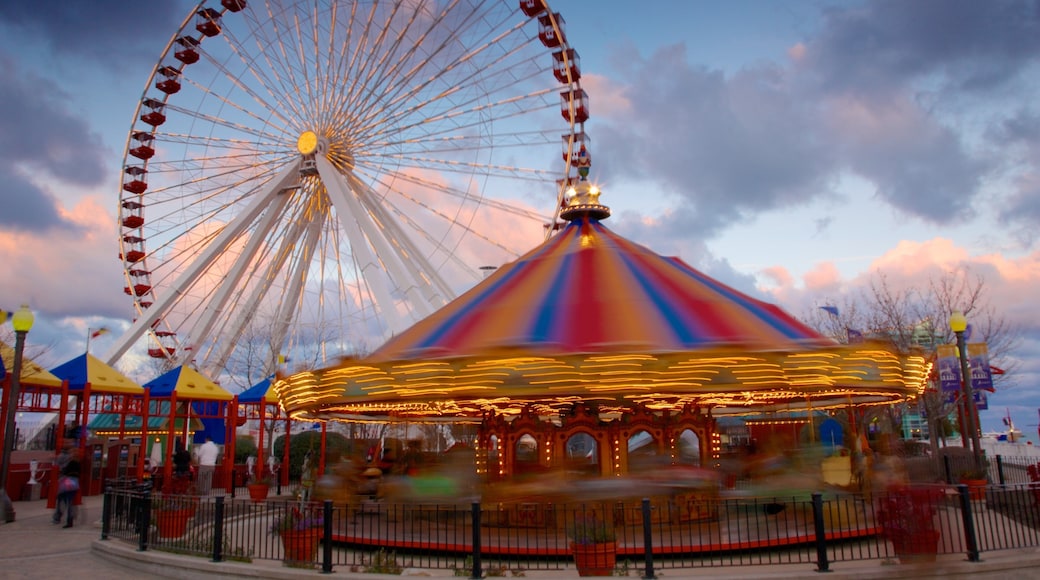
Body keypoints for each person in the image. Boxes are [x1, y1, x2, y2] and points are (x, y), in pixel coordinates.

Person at [53, 448, 81, 528]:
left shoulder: (71, 463)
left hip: (68, 482)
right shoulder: (78, 463)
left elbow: (65, 471)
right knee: (70, 501)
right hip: (75, 482)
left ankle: (63, 517)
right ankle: (69, 518)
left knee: (64, 499)